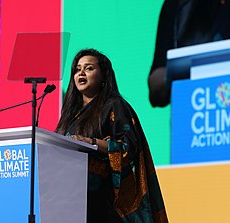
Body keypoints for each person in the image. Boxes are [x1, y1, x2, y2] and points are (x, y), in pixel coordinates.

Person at [55, 48, 168, 223]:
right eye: (77, 69)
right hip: (71, 198)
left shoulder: (115, 106)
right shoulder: (70, 116)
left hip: (104, 201)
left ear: (103, 75)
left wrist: (90, 142)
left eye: (89, 68)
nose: (81, 73)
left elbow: (128, 148)